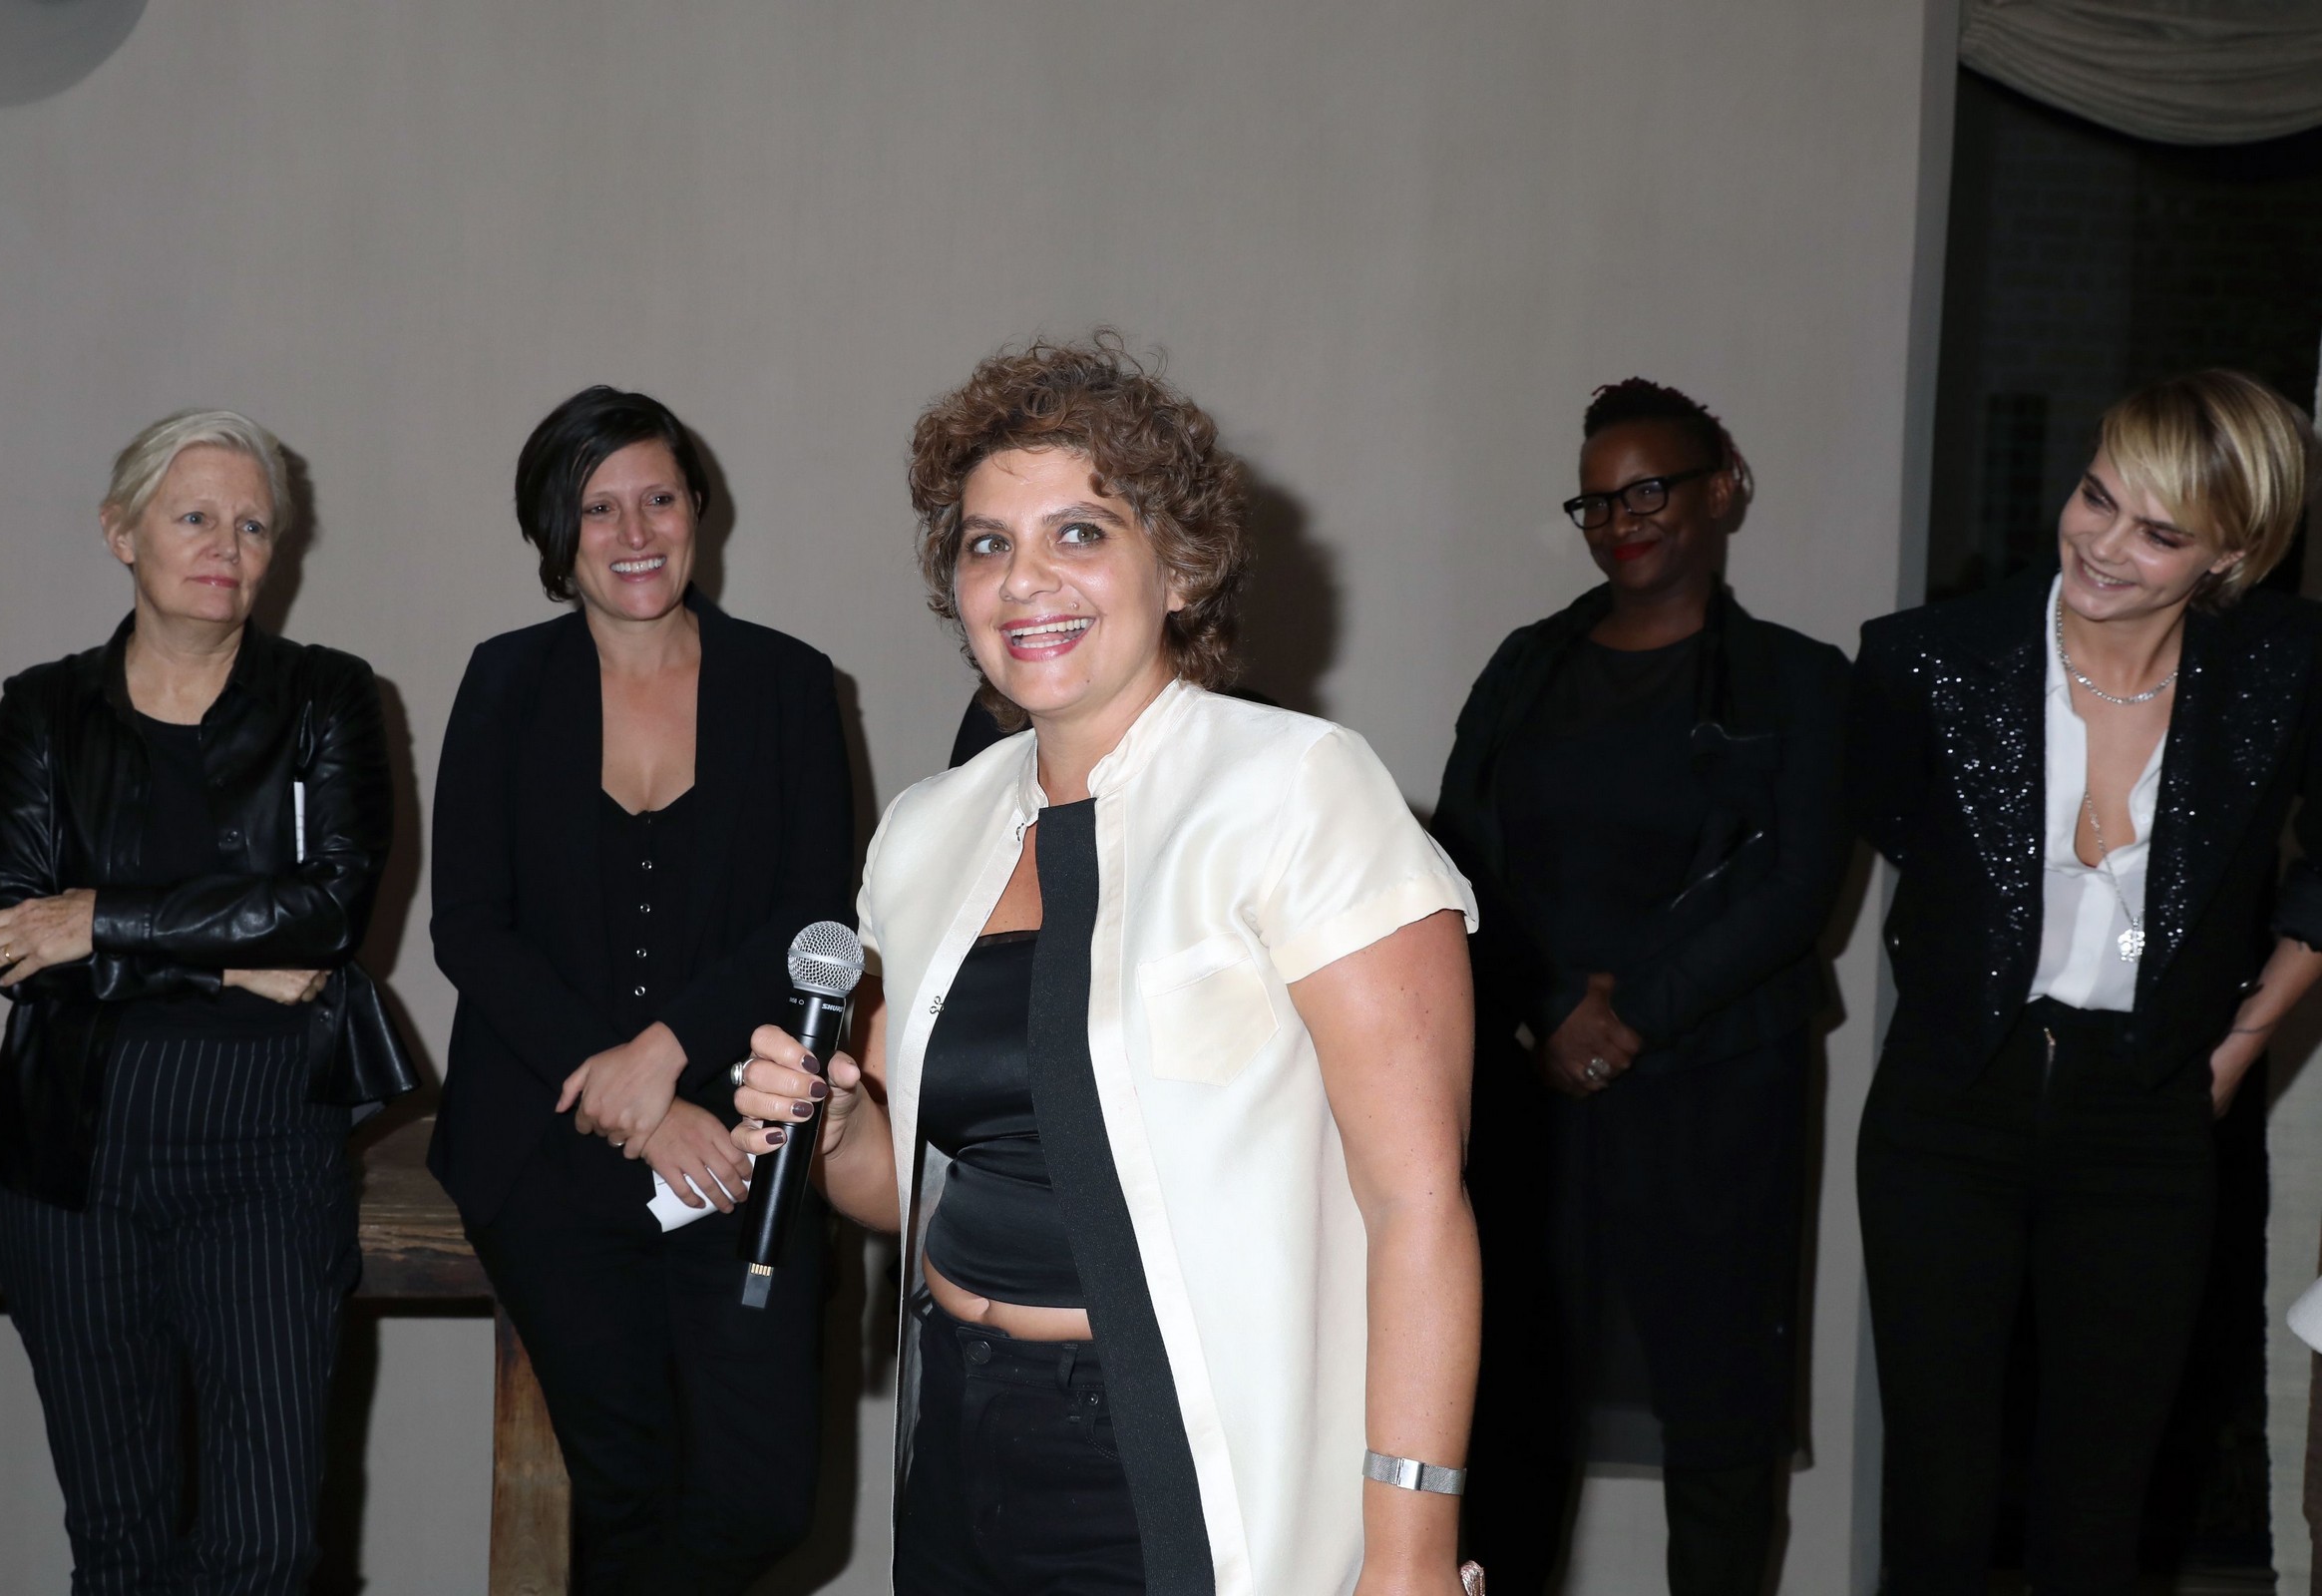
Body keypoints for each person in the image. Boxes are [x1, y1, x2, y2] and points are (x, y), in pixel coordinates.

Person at [728, 334, 1483, 1595]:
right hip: (959, 1435)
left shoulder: (1297, 789)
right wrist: (838, 1123)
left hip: (1176, 1462)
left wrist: (1410, 1551)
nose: (1024, 579)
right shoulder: (926, 831)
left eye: (1079, 532)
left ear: (1179, 565)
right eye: (987, 543)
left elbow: (1418, 1205)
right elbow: (902, 1191)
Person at [1850, 369, 2322, 1593]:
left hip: (2148, 1113)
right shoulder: (1929, 660)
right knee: (1939, 1499)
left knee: (2102, 1506)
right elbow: (1904, 832)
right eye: (2098, 497)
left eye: (2160, 533)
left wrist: (2242, 1040)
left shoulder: (2286, 670)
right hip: (1949, 1103)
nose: (2104, 545)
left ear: (2232, 555)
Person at [0, 409, 414, 1594]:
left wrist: (102, 918)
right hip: (71, 1162)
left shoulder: (328, 695)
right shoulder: (43, 709)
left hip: (264, 1155)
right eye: (196, 515)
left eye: (253, 526)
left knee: (266, 1547)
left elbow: (327, 911)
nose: (227, 545)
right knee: (120, 1543)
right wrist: (223, 959)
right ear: (123, 532)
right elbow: (6, 936)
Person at [429, 386, 853, 1592]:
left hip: (742, 1142)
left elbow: (815, 910)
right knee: (623, 1493)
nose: (633, 533)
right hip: (547, 1150)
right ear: (553, 534)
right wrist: (631, 1102)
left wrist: (666, 1053)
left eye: (658, 498)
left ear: (698, 509)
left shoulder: (788, 681)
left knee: (760, 1500)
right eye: (597, 507)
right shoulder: (505, 681)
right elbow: (470, 926)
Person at [1432, 378, 1851, 1593]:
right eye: (1599, 502)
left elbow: (1795, 890)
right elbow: (1457, 858)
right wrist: (1552, 1007)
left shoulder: (1798, 680)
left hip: (1722, 1088)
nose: (1623, 521)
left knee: (1721, 1413)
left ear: (1723, 490)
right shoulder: (1527, 668)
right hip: (1533, 1086)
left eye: (1650, 490)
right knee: (1510, 1393)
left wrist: (1631, 1016)